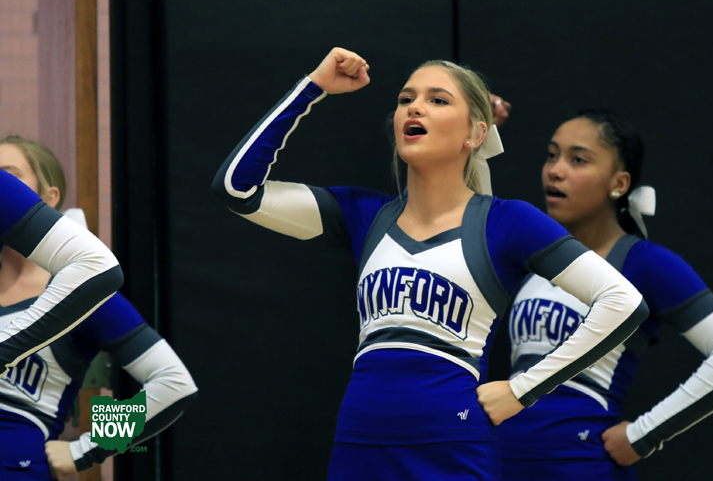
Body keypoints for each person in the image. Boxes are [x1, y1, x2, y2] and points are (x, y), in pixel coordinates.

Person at [211, 48, 649, 480]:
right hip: (359, 442)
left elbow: (622, 301)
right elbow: (237, 189)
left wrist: (522, 390)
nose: (415, 107)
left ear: (475, 134)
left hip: (452, 446)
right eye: (406, 99)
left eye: (438, 100)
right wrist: (313, 87)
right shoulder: (363, 214)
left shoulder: (507, 222)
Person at [496, 109, 713, 480]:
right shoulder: (533, 254)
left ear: (619, 183)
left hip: (583, 468)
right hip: (502, 466)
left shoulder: (644, 263)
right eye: (552, 155)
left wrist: (643, 435)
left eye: (578, 159)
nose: (555, 170)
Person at [0, 135, 198, 479]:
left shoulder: (86, 293)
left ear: (50, 197)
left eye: (10, 175)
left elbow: (173, 383)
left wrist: (85, 449)